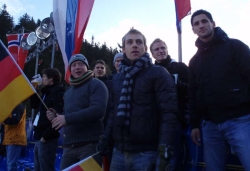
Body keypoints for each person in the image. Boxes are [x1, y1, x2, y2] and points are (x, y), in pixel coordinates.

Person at [97, 29, 179, 171]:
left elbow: (168, 114)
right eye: (130, 42)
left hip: (146, 153)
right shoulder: (117, 78)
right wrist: (105, 137)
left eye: (138, 42)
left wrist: (164, 149)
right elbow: (112, 113)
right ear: (123, 49)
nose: (134, 45)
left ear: (145, 48)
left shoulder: (158, 73)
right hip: (118, 152)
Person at [189, 9, 250, 171]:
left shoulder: (234, 46)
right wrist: (195, 124)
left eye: (204, 21)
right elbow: (194, 94)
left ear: (213, 23)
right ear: (193, 30)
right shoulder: (194, 61)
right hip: (209, 126)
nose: (201, 25)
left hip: (240, 121)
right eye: (196, 23)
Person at [47, 54, 108, 170]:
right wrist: (57, 116)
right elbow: (68, 114)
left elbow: (98, 110)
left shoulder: (96, 84)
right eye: (74, 65)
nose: (77, 67)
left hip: (89, 146)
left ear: (87, 67)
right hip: (68, 147)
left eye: (80, 64)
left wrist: (66, 119)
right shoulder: (68, 91)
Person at [150, 38, 189, 171]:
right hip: (152, 122)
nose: (160, 51)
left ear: (167, 49)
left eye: (162, 48)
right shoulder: (150, 71)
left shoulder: (180, 67)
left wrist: (177, 84)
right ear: (152, 54)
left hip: (174, 120)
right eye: (156, 49)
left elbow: (193, 89)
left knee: (170, 159)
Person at [30, 68, 65, 171]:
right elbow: (34, 105)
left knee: (45, 168)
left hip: (47, 138)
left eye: (44, 77)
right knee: (37, 168)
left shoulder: (58, 93)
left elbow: (58, 116)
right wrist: (34, 89)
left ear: (51, 79)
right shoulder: (46, 93)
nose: (42, 79)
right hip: (39, 136)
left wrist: (45, 137)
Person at [2, 103, 26, 171]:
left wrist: (3, 119)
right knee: (10, 164)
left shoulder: (17, 106)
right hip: (10, 138)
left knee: (11, 165)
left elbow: (15, 120)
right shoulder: (12, 106)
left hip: (15, 138)